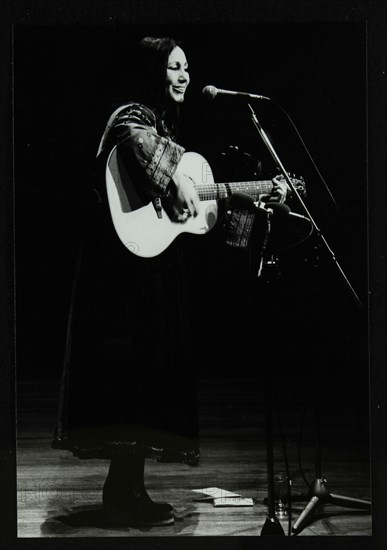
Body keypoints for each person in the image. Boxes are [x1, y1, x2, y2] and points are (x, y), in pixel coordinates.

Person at [52, 36, 288, 529]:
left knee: (148, 378)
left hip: (147, 272)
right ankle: (123, 492)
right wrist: (175, 183)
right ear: (153, 70)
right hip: (122, 277)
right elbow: (141, 148)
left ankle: (129, 487)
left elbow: (200, 204)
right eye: (174, 67)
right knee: (131, 378)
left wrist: (260, 194)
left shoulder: (163, 129)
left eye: (187, 68)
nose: (183, 76)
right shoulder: (131, 117)